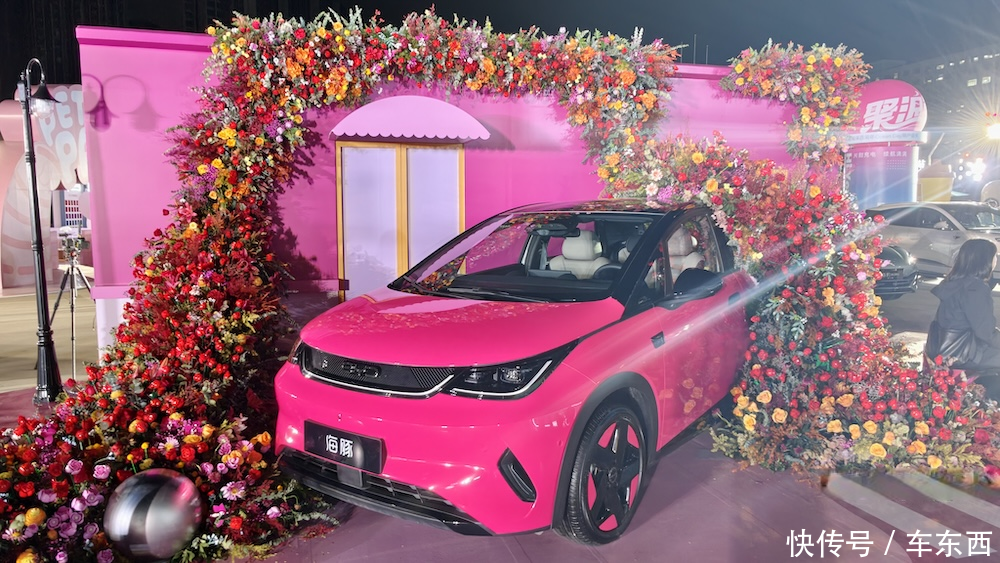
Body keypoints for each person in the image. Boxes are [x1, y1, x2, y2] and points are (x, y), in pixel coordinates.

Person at [927, 239, 1000, 397]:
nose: (996, 260)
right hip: (963, 352)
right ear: (985, 260)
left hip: (944, 348)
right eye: (995, 256)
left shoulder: (955, 283)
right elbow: (985, 332)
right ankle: (989, 403)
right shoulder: (975, 289)